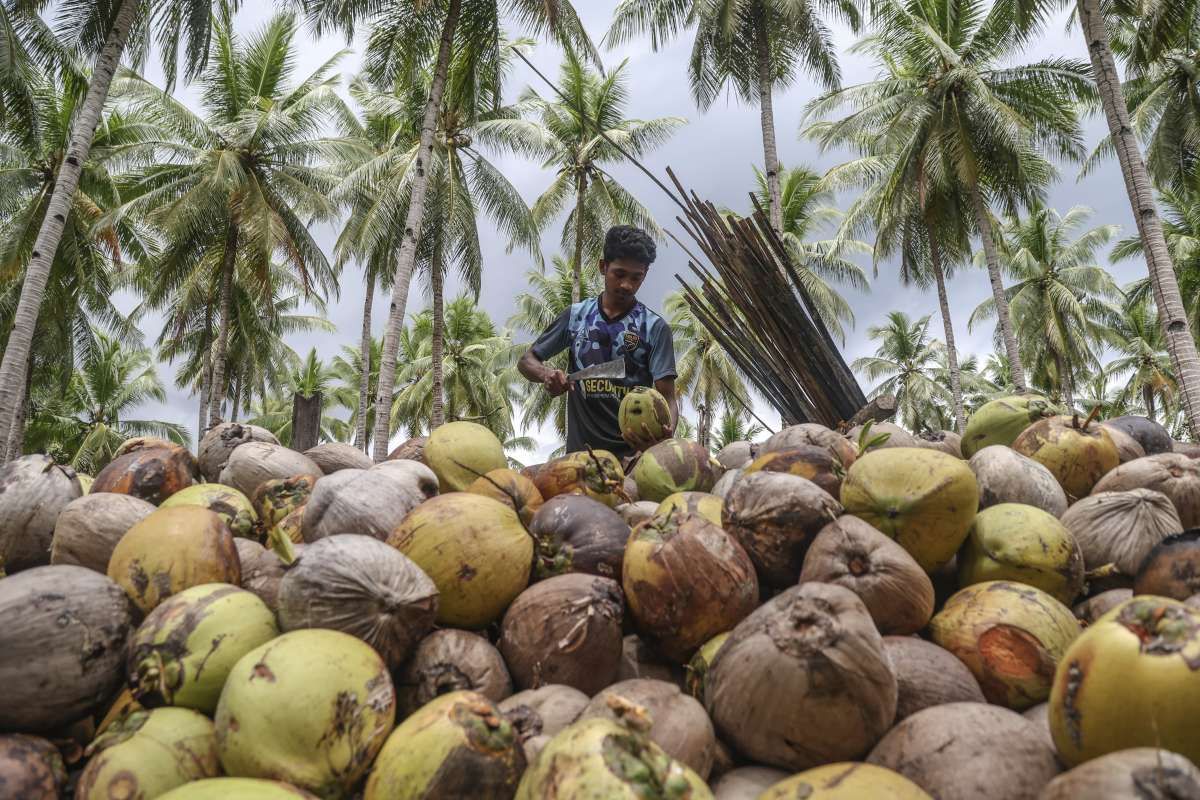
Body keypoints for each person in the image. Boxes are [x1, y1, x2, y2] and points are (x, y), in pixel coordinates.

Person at [518, 225, 678, 461]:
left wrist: (665, 436)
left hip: (633, 461)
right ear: (603, 267)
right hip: (581, 460)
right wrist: (546, 374)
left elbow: (669, 398)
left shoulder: (653, 328)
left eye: (637, 277)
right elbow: (526, 361)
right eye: (620, 274)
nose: (627, 285)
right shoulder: (576, 317)